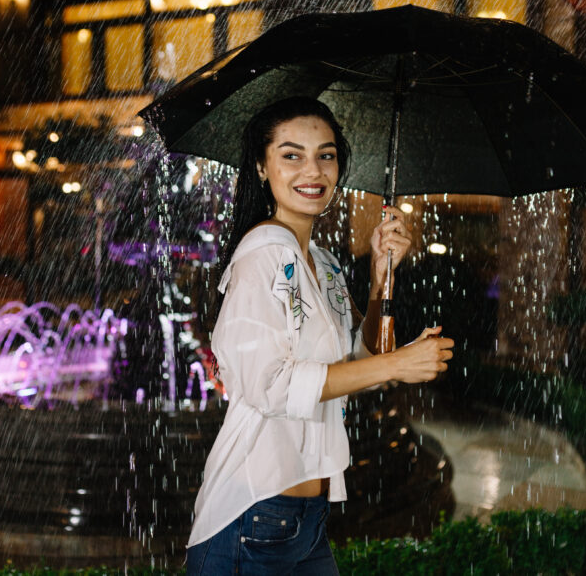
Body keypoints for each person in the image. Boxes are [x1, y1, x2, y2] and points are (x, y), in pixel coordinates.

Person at [185, 97, 454, 575]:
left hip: (306, 520)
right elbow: (271, 385)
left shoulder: (324, 265)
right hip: (251, 517)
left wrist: (379, 278)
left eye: (325, 155)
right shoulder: (261, 257)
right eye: (292, 155)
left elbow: (359, 361)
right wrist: (397, 366)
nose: (313, 170)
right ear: (262, 168)